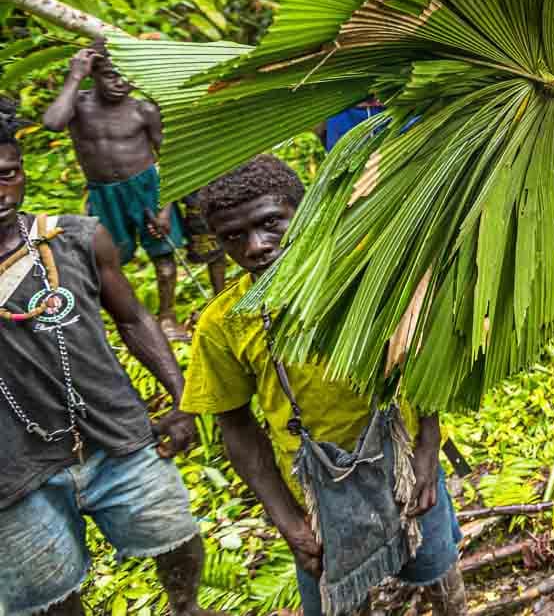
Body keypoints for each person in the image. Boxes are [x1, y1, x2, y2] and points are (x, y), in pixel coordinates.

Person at [178, 155, 467, 615]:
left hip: (407, 465)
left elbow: (424, 355)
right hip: (314, 497)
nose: (255, 247)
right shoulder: (225, 324)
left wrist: (429, 449)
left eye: (271, 223)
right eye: (233, 236)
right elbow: (235, 426)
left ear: (305, 211)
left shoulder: (364, 274)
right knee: (340, 601)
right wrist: (289, 521)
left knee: (436, 572)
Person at [0, 107, 220, 616]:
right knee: (50, 593)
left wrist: (183, 398)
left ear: (23, 171)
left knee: (176, 535)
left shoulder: (75, 238)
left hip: (113, 433)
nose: (0, 191)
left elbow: (134, 318)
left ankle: (185, 609)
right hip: (15, 462)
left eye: (7, 174)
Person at [42, 41, 190, 340]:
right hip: (105, 194)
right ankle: (127, 319)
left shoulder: (143, 110)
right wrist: (74, 76)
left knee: (164, 261)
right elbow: (52, 123)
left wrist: (165, 207)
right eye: (111, 74)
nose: (120, 83)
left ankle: (168, 317)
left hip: (146, 189)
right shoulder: (79, 107)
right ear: (94, 73)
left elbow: (171, 158)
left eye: (127, 75)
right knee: (108, 261)